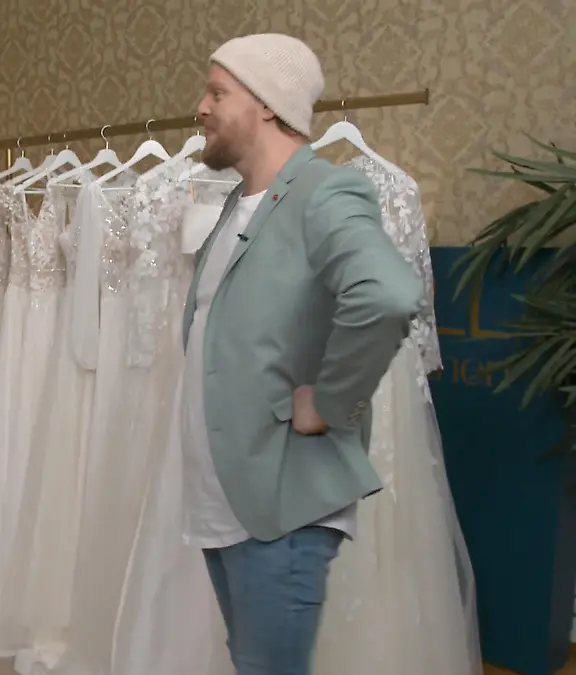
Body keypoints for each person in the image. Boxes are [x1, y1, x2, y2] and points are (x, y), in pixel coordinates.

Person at [180, 34, 424, 674]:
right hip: (229, 500)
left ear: (267, 104)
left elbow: (390, 294)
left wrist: (332, 402)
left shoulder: (325, 192)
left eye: (217, 92)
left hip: (280, 505)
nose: (200, 107)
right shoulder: (240, 204)